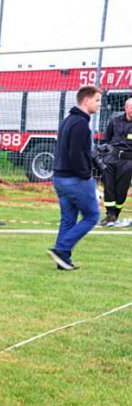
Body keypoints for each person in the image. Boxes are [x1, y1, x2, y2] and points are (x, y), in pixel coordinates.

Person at [47, 85, 102, 270]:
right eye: (97, 100)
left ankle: (63, 261)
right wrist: (87, 176)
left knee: (68, 220)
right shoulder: (80, 124)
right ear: (86, 101)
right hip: (74, 179)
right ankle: (62, 248)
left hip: (60, 178)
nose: (99, 105)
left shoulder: (68, 120)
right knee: (92, 215)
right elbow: (76, 154)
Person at [100, 97, 132, 226]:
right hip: (111, 159)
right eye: (131, 107)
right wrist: (104, 155)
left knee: (121, 189)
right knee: (109, 187)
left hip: (128, 161)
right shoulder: (115, 121)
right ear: (126, 108)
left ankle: (116, 213)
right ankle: (109, 214)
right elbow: (105, 140)